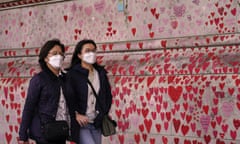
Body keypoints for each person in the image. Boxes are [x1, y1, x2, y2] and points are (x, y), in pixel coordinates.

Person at [19, 39, 71, 144]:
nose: (59, 56)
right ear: (46, 58)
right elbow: (29, 107)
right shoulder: (39, 80)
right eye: (54, 53)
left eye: (61, 54)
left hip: (61, 130)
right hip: (45, 133)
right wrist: (23, 136)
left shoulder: (65, 78)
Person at [66, 39, 113, 144]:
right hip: (81, 124)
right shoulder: (72, 75)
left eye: (93, 50)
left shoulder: (101, 73)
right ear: (79, 55)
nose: (91, 53)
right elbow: (67, 97)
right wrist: (75, 115)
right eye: (87, 51)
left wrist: (103, 112)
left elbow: (107, 96)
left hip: (96, 122)